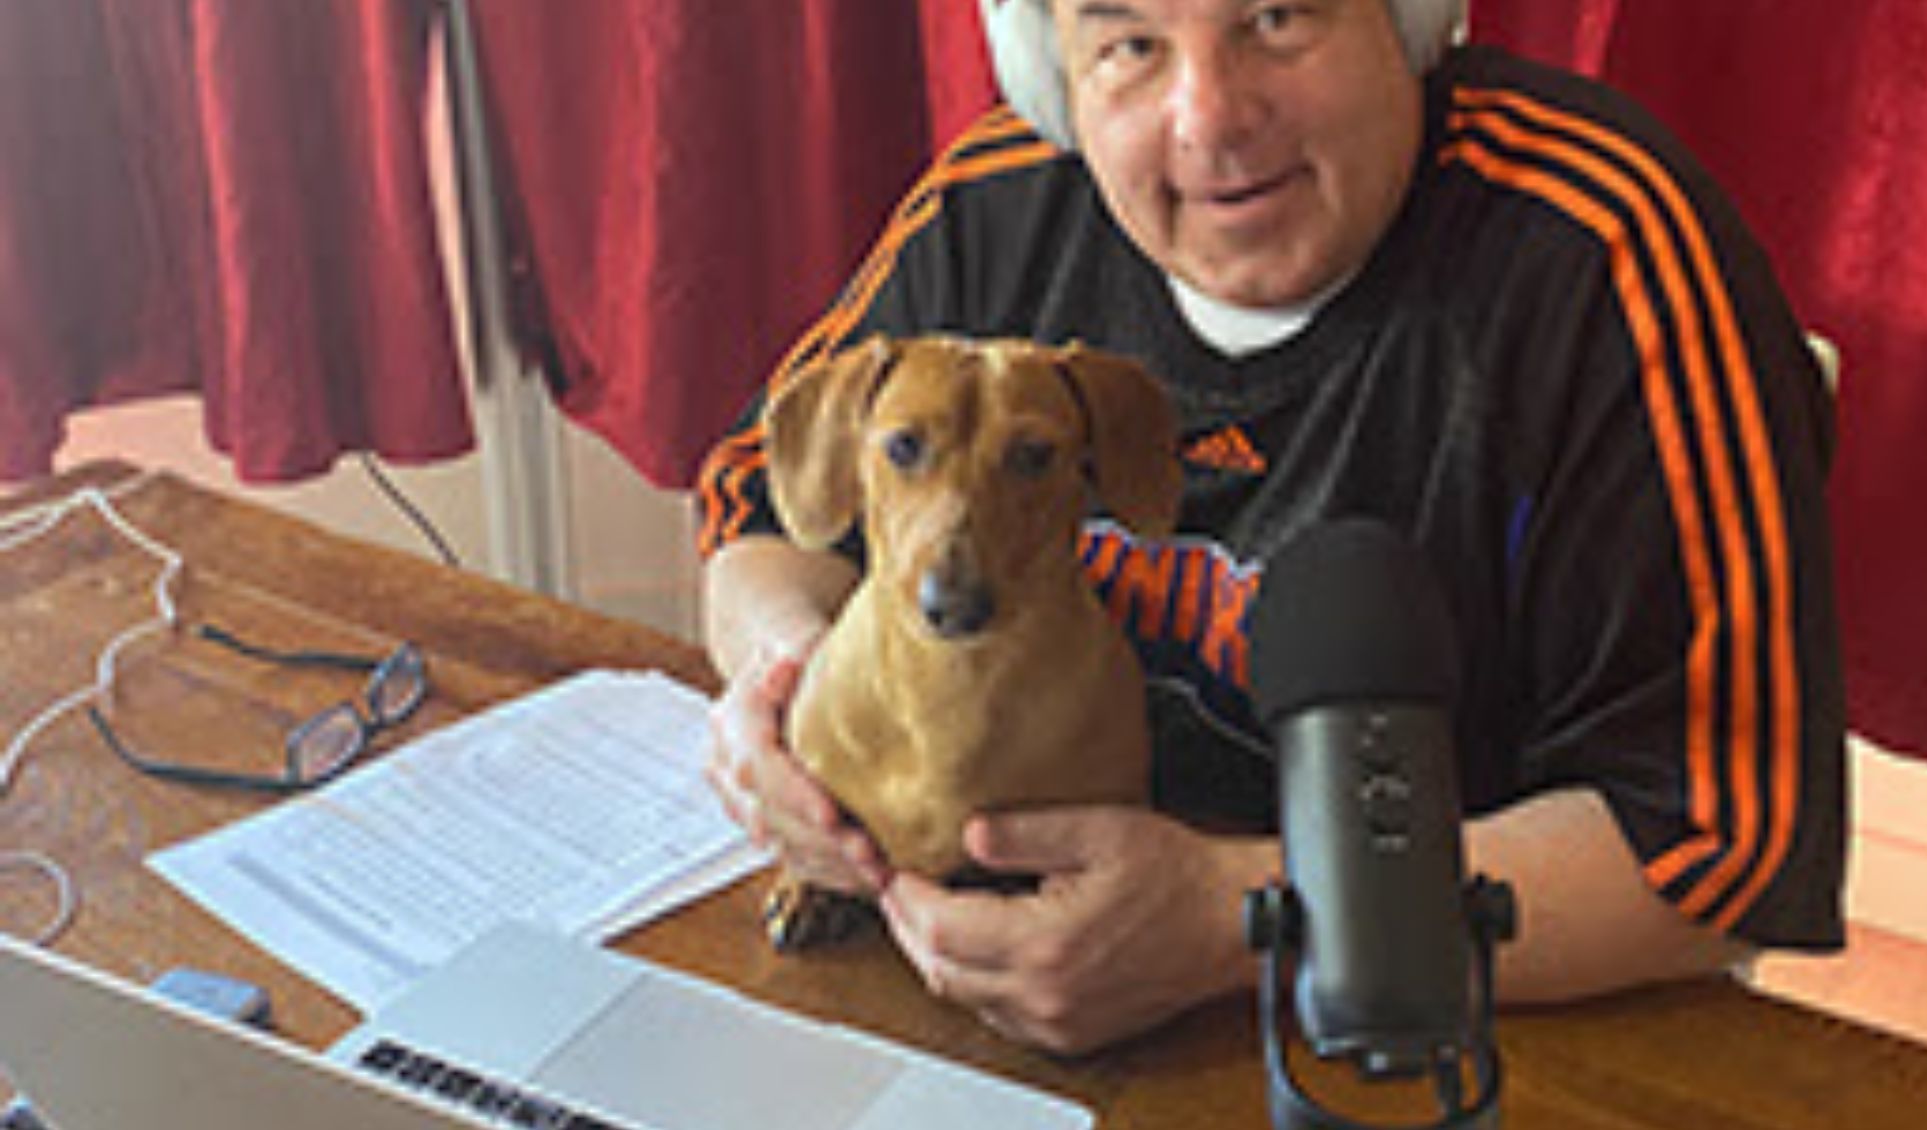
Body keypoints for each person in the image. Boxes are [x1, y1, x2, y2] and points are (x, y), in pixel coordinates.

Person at [695, 0, 1846, 1055]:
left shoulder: (1603, 255)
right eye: (1128, 44)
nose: (1209, 120)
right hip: (955, 1002)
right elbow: (761, 504)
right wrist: (784, 691)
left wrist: (1235, 915)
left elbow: (1714, 848)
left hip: (1445, 1031)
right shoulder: (998, 201)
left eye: (1277, 15)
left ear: (1406, 17)